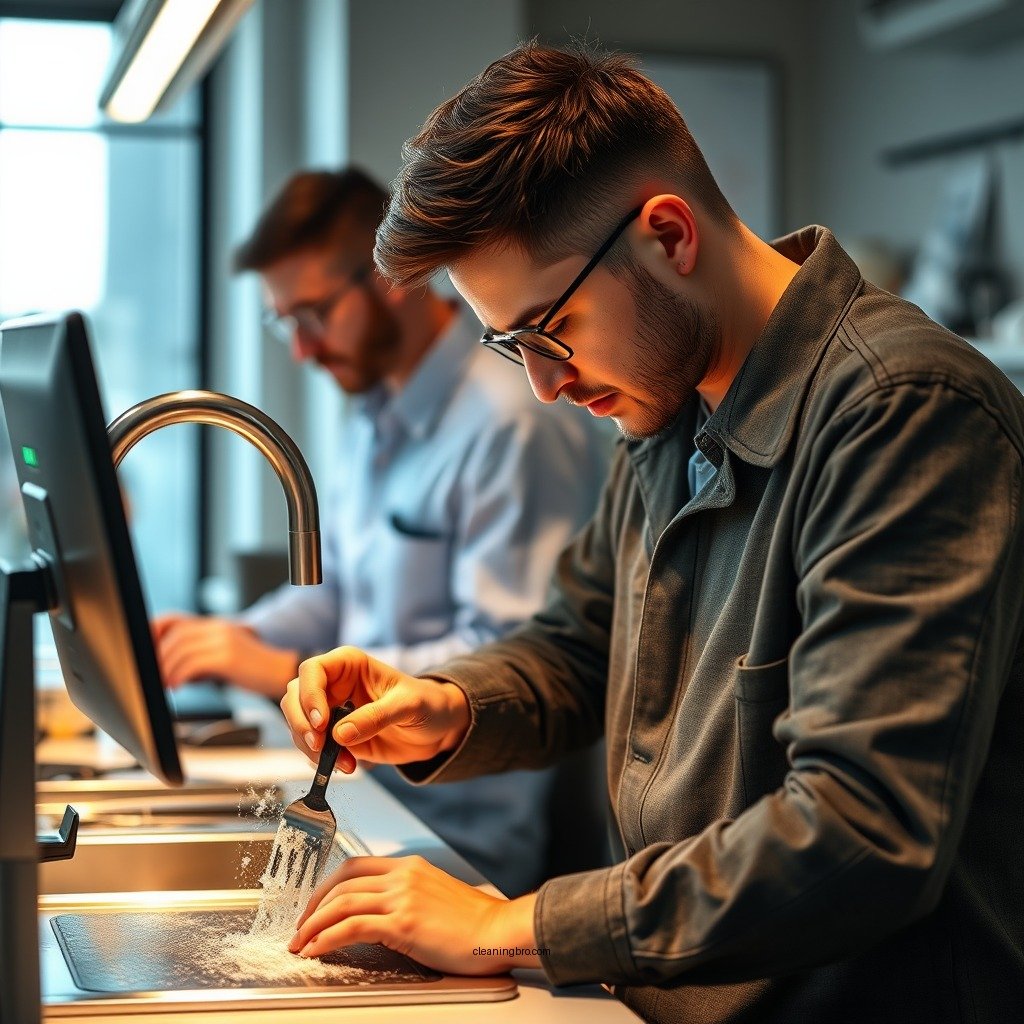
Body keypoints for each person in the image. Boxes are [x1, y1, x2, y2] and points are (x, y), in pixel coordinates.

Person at [278, 44, 1024, 1024]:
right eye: (511, 346)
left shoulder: (904, 413)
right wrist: (450, 705)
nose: (542, 383)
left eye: (549, 330)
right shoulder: (664, 410)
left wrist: (514, 927)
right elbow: (581, 644)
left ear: (667, 235)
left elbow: (859, 828)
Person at [153, 166, 609, 897]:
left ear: (393, 277)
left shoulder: (513, 421)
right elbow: (333, 594)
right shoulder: (372, 416)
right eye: (286, 324)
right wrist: (222, 643)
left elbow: (515, 653)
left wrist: (276, 671)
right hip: (369, 798)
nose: (302, 349)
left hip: (458, 841)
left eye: (313, 315)